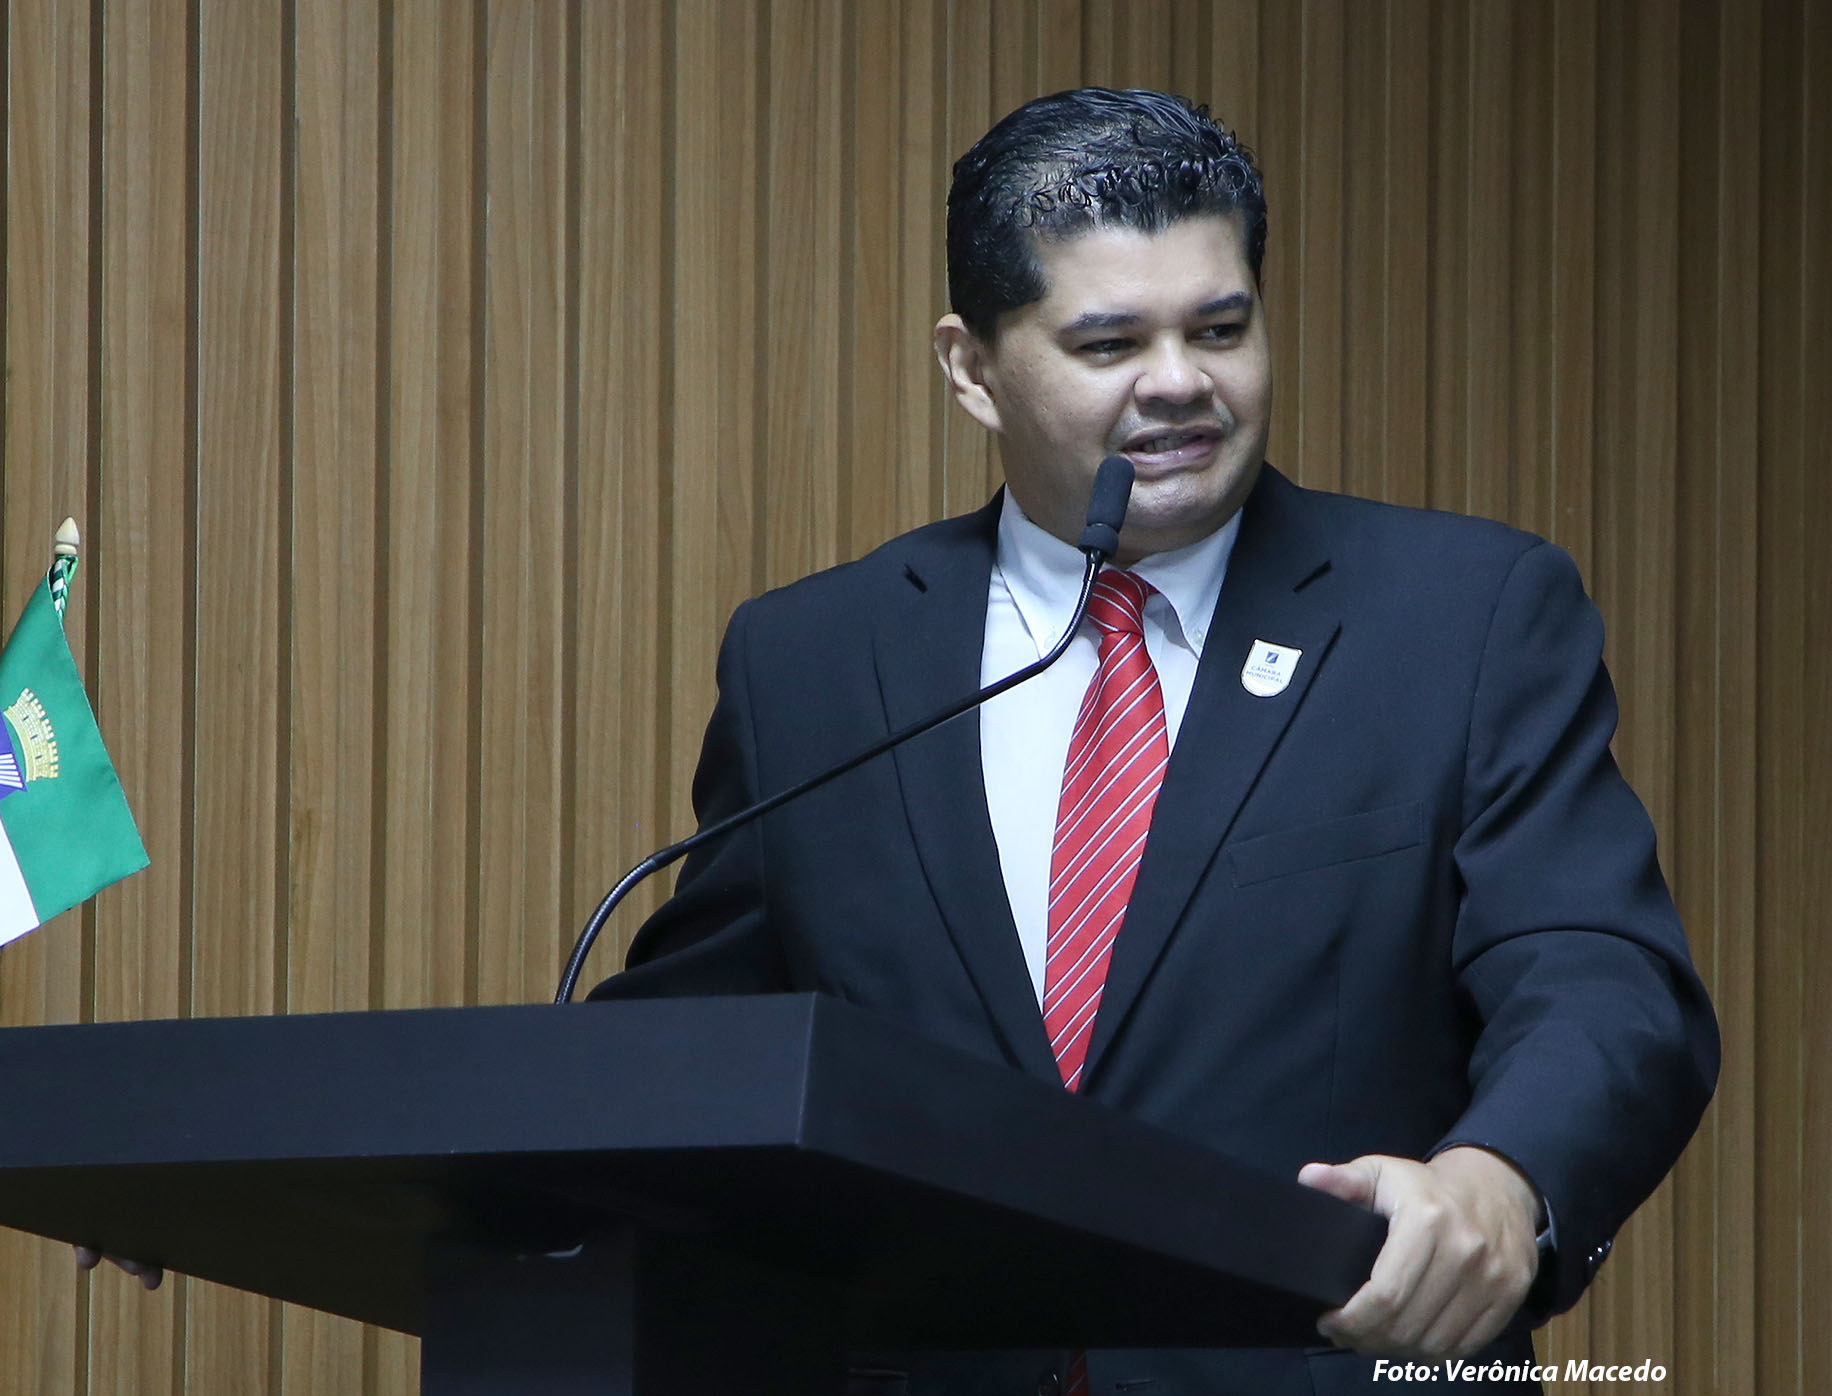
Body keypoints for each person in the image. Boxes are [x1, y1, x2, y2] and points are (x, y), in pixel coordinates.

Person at [593, 87, 1719, 1395]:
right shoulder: (814, 661)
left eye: (1220, 329)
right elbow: (698, 1045)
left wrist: (1499, 1178)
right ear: (971, 368)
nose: (1180, 382)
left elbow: (1599, 972)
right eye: (1110, 341)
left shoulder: (1460, 617)